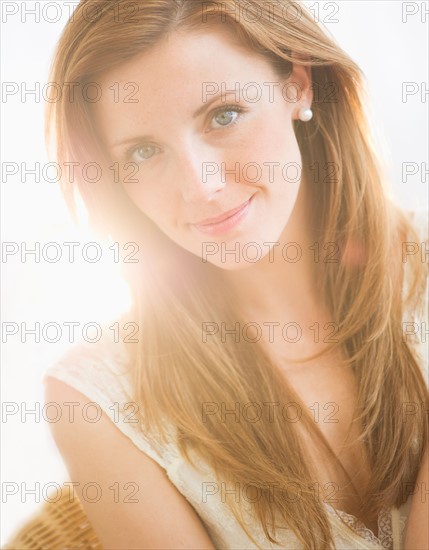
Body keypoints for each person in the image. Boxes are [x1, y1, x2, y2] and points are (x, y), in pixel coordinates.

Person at [42, 0, 428, 548]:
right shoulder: (95, 402)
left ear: (298, 83)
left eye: (223, 115)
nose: (202, 186)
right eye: (145, 152)